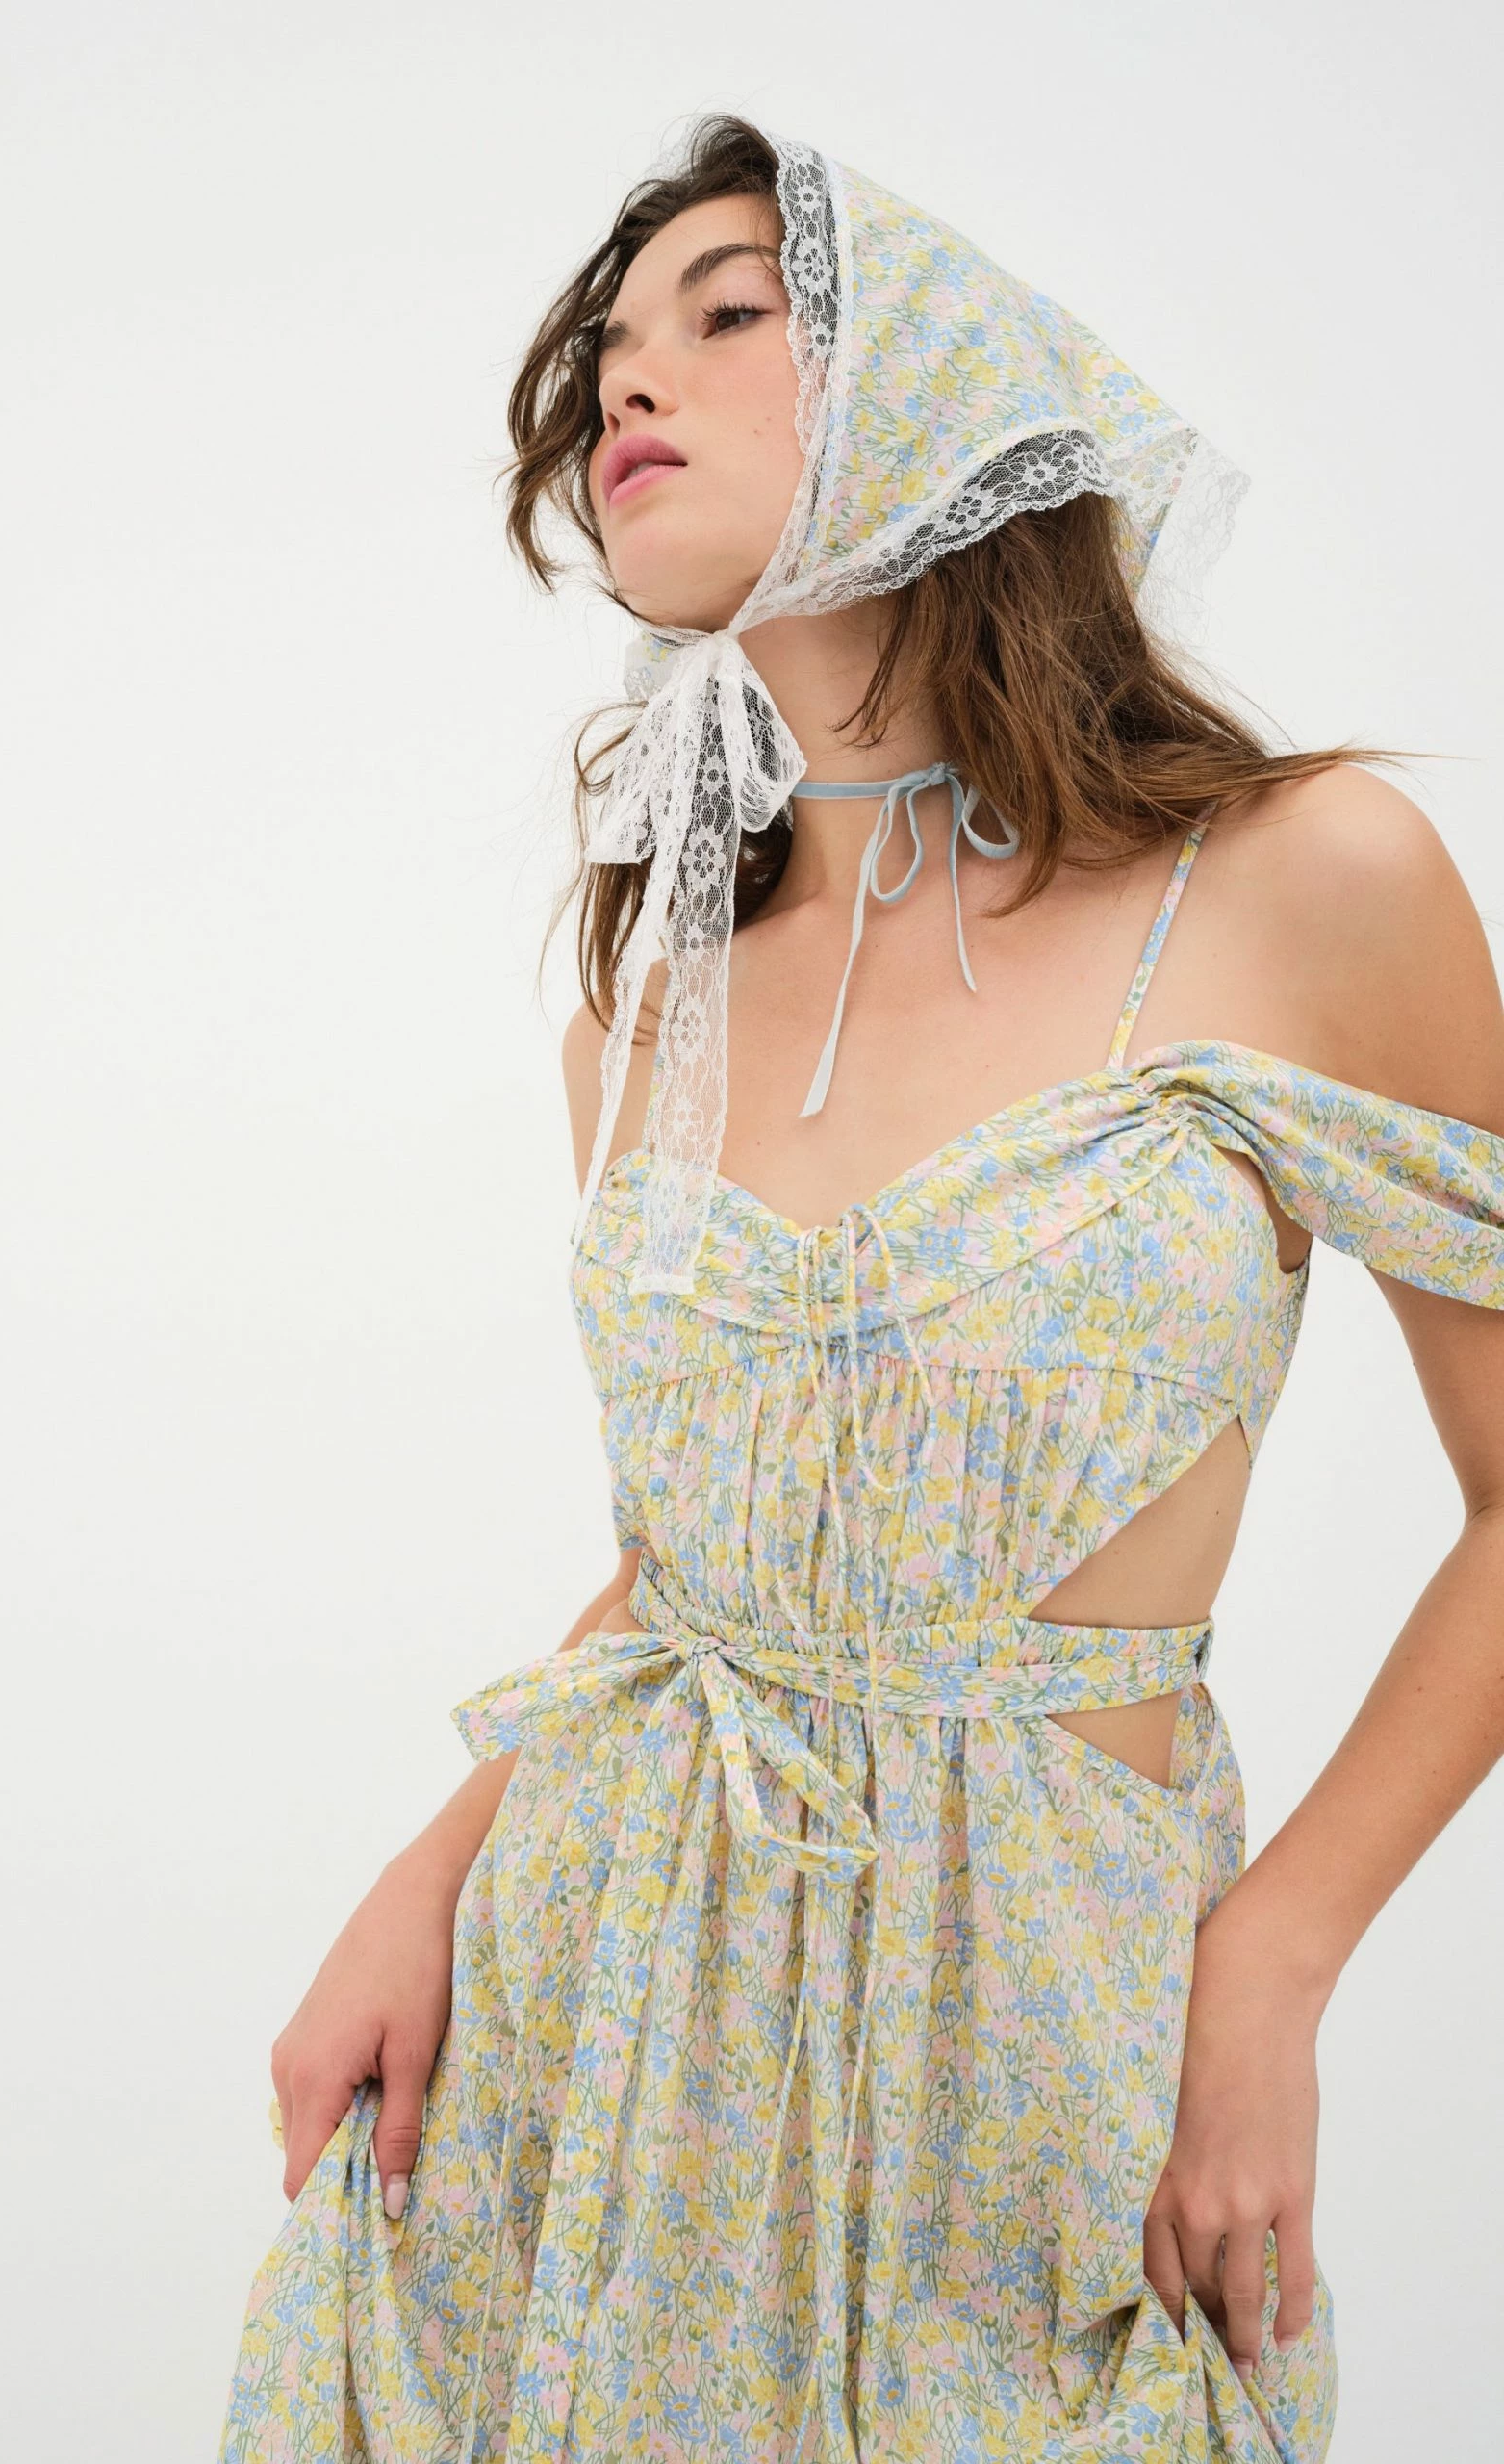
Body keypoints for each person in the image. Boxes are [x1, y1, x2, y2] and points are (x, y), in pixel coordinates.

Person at [217, 115, 1504, 2464]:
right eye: (607, 351)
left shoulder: (1306, 880)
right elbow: (697, 1566)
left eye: (728, 312)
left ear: (940, 380)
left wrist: (1276, 1959)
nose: (630, 381)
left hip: (1046, 2049)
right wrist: (424, 1872)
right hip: (590, 2034)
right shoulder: (658, 992)